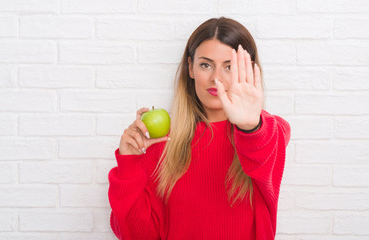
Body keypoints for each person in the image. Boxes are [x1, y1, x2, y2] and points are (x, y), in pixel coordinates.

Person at [108, 17, 291, 240]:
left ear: (247, 71)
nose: (216, 78)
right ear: (191, 68)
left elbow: (260, 145)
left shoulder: (270, 132)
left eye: (229, 67)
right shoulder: (161, 142)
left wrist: (249, 126)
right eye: (206, 65)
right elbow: (137, 235)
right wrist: (129, 163)